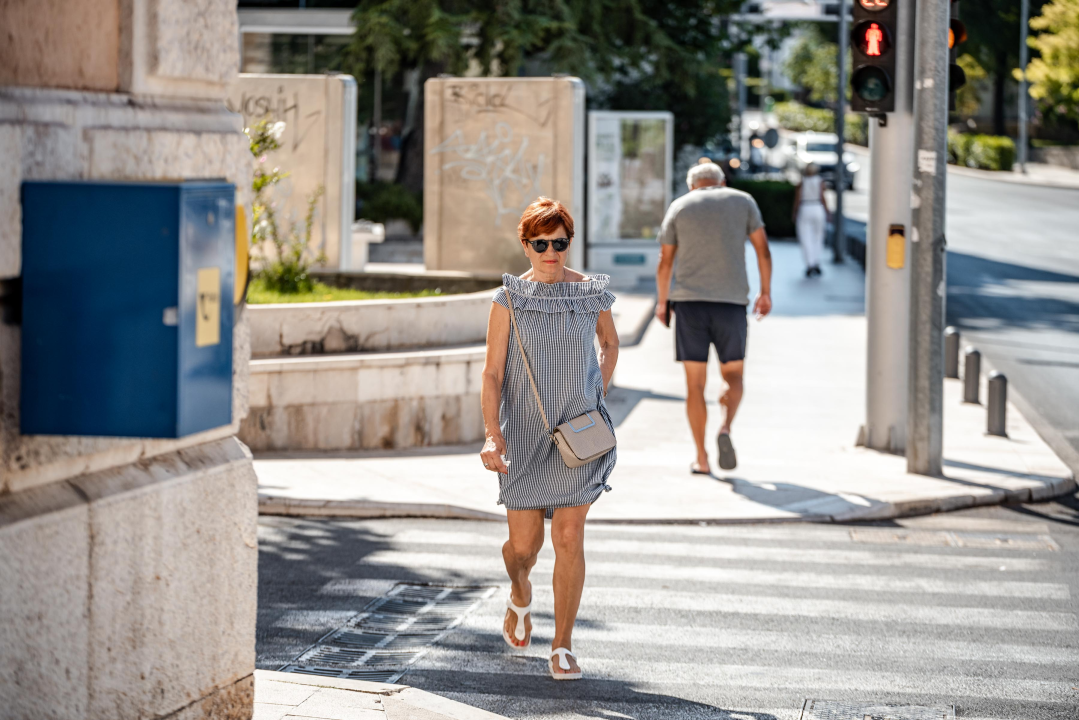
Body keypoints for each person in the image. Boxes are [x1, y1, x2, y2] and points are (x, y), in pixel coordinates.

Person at [479, 196, 619, 681]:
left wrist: (596, 393)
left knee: (568, 535)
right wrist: (493, 437)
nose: (551, 252)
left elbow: (610, 343)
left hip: (579, 436)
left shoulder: (590, 293)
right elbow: (493, 374)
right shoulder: (508, 299)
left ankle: (562, 645)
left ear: (569, 242)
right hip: (523, 436)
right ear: (525, 245)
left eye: (559, 242)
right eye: (541, 243)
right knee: (523, 548)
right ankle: (519, 595)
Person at [654, 160, 772, 474]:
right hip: (731, 304)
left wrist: (663, 303)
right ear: (720, 182)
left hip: (689, 305)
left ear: (693, 186)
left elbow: (665, 260)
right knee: (734, 376)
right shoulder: (743, 201)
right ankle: (726, 428)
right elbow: (763, 250)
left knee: (695, 385)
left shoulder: (680, 206)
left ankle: (702, 458)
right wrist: (765, 292)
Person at [793, 163, 828, 278]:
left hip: (805, 208)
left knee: (805, 237)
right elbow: (822, 197)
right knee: (818, 237)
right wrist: (827, 211)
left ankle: (809, 263)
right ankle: (816, 261)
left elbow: (797, 199)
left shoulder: (802, 182)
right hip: (817, 207)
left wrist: (794, 212)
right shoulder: (820, 181)